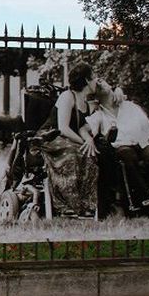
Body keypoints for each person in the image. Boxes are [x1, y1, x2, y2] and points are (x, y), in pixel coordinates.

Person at [81, 79, 149, 218]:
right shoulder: (99, 114)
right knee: (127, 156)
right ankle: (145, 200)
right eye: (98, 86)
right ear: (96, 97)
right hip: (121, 148)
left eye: (102, 81)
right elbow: (83, 128)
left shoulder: (131, 107)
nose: (101, 83)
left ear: (111, 85)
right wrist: (89, 139)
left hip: (140, 143)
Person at [35, 63, 99, 218]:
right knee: (72, 154)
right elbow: (63, 127)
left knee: (91, 156)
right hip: (51, 136)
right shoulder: (67, 96)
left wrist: (89, 140)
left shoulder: (84, 100)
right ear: (86, 80)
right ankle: (65, 206)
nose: (96, 80)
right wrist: (83, 143)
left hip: (69, 138)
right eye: (94, 77)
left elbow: (82, 125)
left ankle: (85, 205)